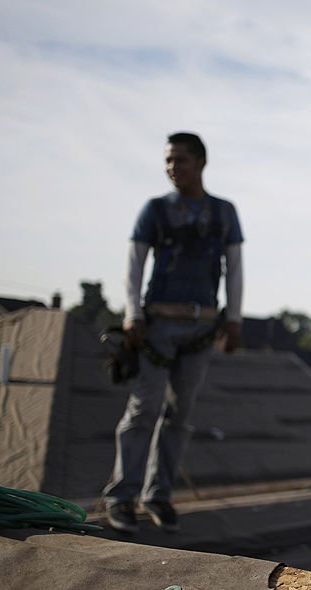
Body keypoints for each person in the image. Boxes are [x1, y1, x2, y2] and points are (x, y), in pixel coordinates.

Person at [103, 132, 245, 535]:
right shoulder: (155, 209)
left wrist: (233, 318)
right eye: (168, 161)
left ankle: (158, 496)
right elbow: (134, 264)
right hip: (158, 325)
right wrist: (132, 314)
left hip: (201, 327)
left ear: (200, 162)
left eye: (179, 160)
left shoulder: (223, 212)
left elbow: (234, 267)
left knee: (180, 415)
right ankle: (121, 497)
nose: (172, 167)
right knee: (143, 409)